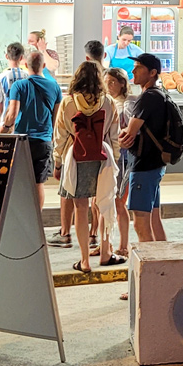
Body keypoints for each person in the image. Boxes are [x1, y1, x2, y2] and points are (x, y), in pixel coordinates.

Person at [52, 62, 119, 271]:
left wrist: (57, 163)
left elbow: (60, 137)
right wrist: (116, 160)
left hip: (75, 158)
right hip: (103, 157)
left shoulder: (68, 102)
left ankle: (84, 261)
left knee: (80, 208)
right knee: (104, 204)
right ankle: (105, 252)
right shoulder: (108, 102)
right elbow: (114, 136)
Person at [120, 53, 173, 244]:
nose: (133, 71)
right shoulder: (161, 94)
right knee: (154, 220)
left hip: (143, 165)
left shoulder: (147, 98)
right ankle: (165, 259)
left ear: (152, 73)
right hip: (156, 164)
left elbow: (128, 135)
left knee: (140, 223)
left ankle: (152, 262)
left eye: (139, 67)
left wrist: (122, 134)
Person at [0, 51, 62, 209]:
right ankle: (37, 217)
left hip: (22, 140)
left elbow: (12, 114)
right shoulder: (54, 86)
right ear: (44, 65)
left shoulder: (19, 85)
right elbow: (56, 118)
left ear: (26, 65)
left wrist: (4, 129)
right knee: (38, 183)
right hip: (43, 140)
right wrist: (51, 137)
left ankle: (21, 216)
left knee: (18, 181)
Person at [103, 67, 134, 257]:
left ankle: (123, 244)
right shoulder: (105, 102)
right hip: (107, 156)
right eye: (106, 82)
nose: (109, 85)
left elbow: (129, 131)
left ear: (122, 83)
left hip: (122, 157)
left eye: (112, 82)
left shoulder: (128, 104)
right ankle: (105, 244)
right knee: (103, 203)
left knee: (119, 201)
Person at [0, 42, 27, 109]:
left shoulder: (1, 77)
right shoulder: (27, 76)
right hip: (24, 113)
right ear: (21, 57)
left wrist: (4, 114)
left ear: (6, 56)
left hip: (7, 112)